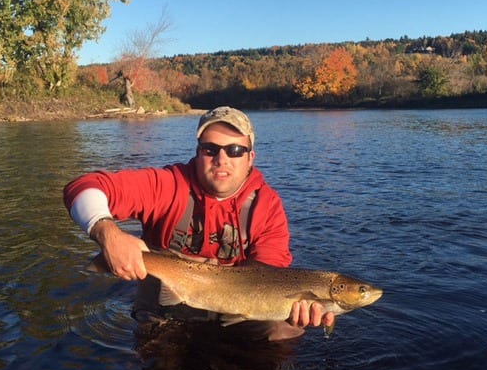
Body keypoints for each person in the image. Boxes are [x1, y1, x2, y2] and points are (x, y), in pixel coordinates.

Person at [63, 106, 334, 340]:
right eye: (210, 149)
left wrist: (294, 310)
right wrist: (108, 234)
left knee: (283, 331)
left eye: (235, 150)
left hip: (239, 303)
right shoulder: (169, 184)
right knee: (162, 357)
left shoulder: (267, 205)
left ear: (251, 158)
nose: (222, 159)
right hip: (165, 302)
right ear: (198, 151)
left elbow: (271, 275)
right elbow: (84, 187)